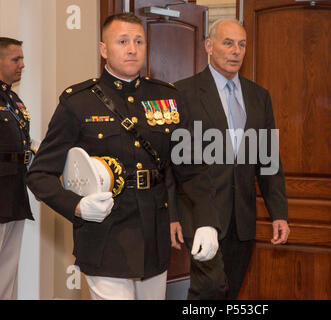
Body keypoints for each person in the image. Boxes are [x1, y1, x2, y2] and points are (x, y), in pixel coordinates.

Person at [26, 13, 216, 300]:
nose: (132, 49)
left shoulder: (168, 98)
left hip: (153, 237)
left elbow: (193, 168)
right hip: (104, 236)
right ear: (104, 49)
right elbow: (39, 174)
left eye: (139, 41)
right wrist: (77, 206)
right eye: (123, 41)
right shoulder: (79, 101)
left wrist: (207, 221)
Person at [171, 19, 290, 300]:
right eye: (228, 43)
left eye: (242, 44)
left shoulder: (259, 96)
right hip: (200, 214)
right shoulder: (182, 93)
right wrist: (172, 216)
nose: (236, 51)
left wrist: (279, 213)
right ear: (209, 46)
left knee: (229, 292)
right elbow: (171, 161)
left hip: (242, 218)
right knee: (209, 288)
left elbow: (269, 159)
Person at [0, 37, 33, 299]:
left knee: (8, 267)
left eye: (22, 58)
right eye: (15, 59)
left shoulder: (13, 99)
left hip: (15, 190)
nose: (22, 64)